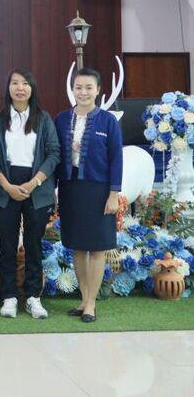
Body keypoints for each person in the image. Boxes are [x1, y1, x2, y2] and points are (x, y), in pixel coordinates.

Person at [0, 69, 60, 320]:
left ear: (32, 88)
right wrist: (7, 186)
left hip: (37, 188)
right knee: (7, 245)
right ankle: (8, 296)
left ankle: (33, 297)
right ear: (8, 88)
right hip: (5, 188)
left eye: (25, 83)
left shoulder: (44, 119)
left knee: (33, 245)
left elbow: (54, 154)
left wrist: (34, 182)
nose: (20, 88)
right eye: (15, 83)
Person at [54, 68, 123, 323]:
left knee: (97, 248)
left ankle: (91, 303)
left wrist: (113, 194)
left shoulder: (108, 121)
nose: (83, 92)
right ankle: (83, 298)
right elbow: (55, 155)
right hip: (70, 189)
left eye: (88, 87)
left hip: (99, 190)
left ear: (98, 90)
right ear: (72, 89)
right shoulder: (61, 119)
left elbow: (116, 158)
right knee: (77, 247)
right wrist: (53, 189)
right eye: (78, 87)